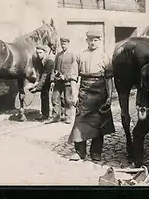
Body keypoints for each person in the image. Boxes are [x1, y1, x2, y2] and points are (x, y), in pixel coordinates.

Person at [68, 30, 115, 162]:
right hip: (84, 91)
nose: (93, 42)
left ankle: (96, 152)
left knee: (99, 123)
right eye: (90, 40)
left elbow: (109, 78)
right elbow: (73, 77)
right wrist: (74, 95)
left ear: (99, 40)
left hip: (100, 92)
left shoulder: (104, 56)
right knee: (80, 122)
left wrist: (110, 96)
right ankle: (79, 152)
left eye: (95, 40)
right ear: (86, 40)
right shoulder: (80, 55)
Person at [49, 37, 78, 124]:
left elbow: (75, 70)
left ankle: (68, 117)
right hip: (58, 81)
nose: (63, 46)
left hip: (67, 82)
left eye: (65, 44)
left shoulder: (72, 55)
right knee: (55, 98)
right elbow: (54, 69)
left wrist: (65, 77)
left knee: (68, 100)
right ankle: (56, 117)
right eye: (62, 44)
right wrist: (52, 81)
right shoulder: (58, 55)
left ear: (68, 44)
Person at [28, 45, 55, 121]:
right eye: (37, 53)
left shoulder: (49, 62)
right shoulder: (39, 61)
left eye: (40, 52)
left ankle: (56, 115)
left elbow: (44, 75)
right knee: (43, 96)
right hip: (44, 80)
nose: (39, 54)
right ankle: (45, 115)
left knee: (54, 98)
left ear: (45, 52)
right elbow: (39, 73)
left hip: (52, 79)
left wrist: (37, 88)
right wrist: (36, 82)